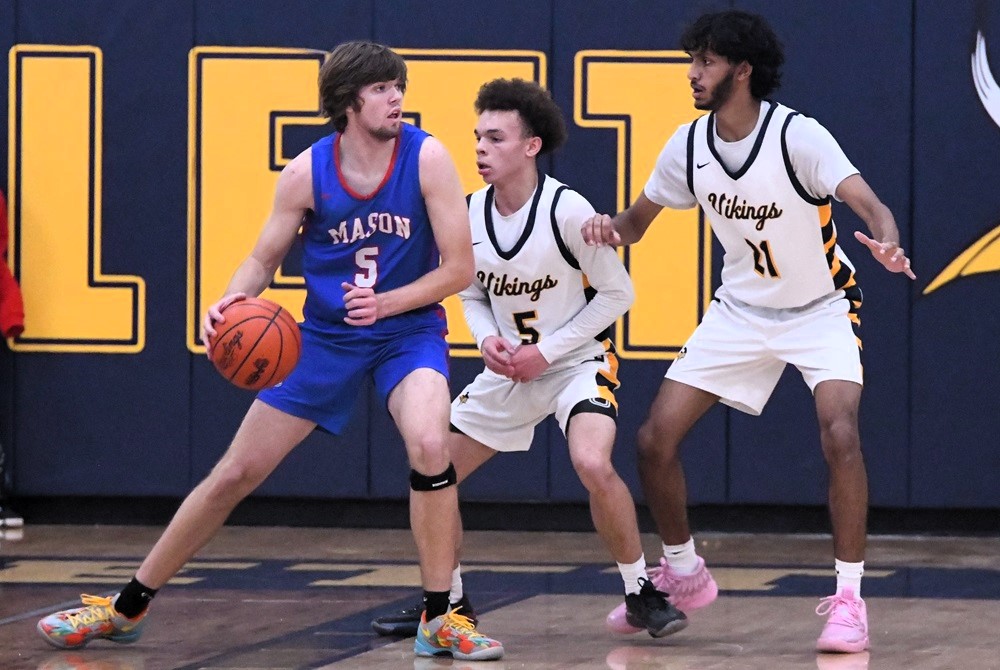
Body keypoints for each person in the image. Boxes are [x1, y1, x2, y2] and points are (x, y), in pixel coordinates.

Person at [36, 41, 503, 662]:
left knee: (429, 443)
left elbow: (459, 267)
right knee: (236, 472)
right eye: (383, 88)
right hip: (327, 338)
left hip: (406, 330)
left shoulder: (428, 158)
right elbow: (263, 258)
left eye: (399, 86)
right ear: (347, 100)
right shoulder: (308, 172)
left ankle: (441, 614)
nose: (397, 98)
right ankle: (126, 606)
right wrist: (229, 303)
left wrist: (388, 304)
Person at [585, 10, 915, 654]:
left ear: (742, 70)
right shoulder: (687, 146)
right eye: (692, 61)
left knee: (841, 433)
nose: (693, 73)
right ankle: (683, 571)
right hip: (739, 311)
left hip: (821, 307)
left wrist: (887, 240)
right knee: (654, 440)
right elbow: (633, 224)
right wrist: (600, 228)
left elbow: (868, 201)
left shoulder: (798, 136)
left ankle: (849, 601)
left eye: (705, 62)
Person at [372, 78, 688, 640]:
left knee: (593, 462)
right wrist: (486, 337)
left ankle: (640, 591)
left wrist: (547, 351)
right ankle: (447, 605)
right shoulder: (468, 212)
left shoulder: (568, 210)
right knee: (433, 473)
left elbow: (619, 296)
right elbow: (468, 289)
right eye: (477, 137)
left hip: (574, 361)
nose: (480, 149)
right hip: (510, 369)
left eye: (495, 138)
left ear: (531, 146)